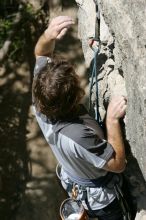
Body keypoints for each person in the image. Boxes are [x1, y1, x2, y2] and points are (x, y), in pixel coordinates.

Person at [32, 16, 131, 220]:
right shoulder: (78, 135)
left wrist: (48, 35)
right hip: (103, 201)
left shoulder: (41, 95)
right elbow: (118, 164)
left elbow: (40, 52)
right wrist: (112, 121)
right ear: (74, 97)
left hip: (74, 179)